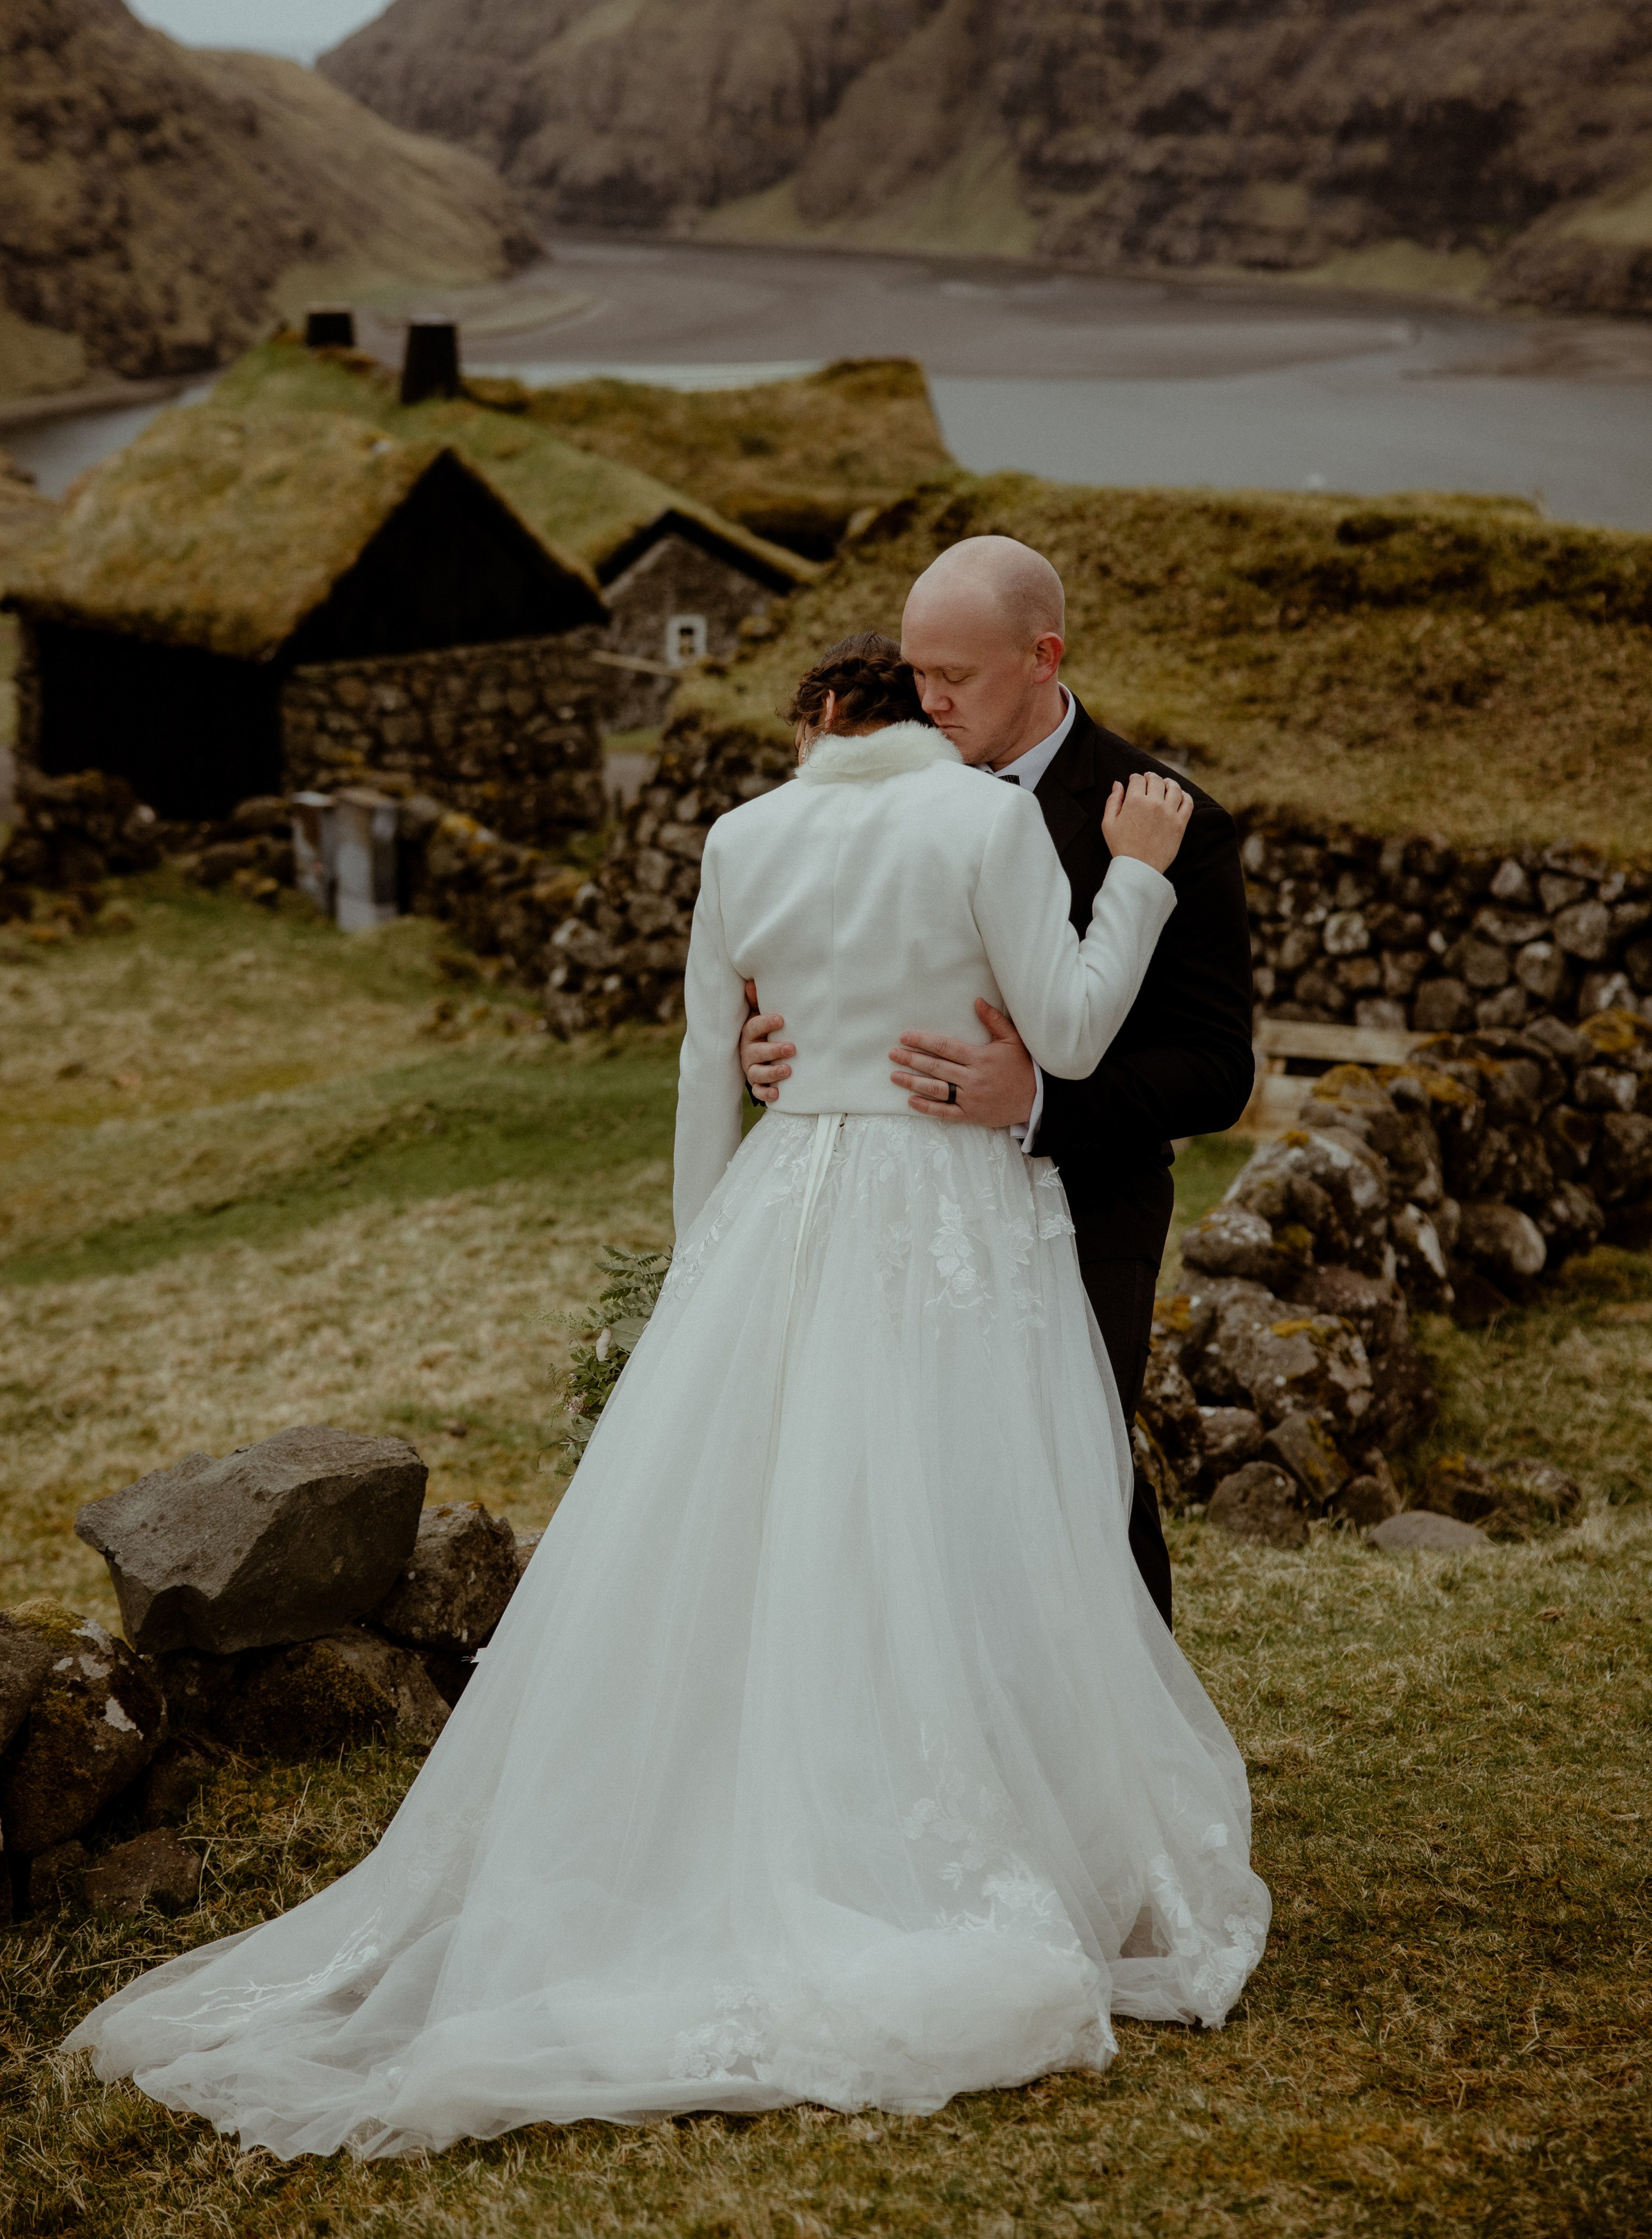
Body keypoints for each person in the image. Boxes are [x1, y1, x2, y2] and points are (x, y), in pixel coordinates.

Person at [66, 633, 1268, 2156]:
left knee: (788, 1519)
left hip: (783, 1205)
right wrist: (1136, 884)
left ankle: (760, 1820)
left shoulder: (740, 833)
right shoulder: (979, 815)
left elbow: (711, 1060)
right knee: (966, 1508)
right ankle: (983, 1834)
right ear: (912, 708)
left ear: (814, 722)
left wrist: (706, 1277)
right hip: (949, 1210)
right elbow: (1077, 1029)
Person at [741, 540, 1255, 1628]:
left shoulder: (1168, 822)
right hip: (888, 1203)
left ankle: (1111, 1749)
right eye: (918, 671)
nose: (927, 701)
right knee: (890, 1478)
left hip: (1087, 1200)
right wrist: (763, 1047)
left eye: (955, 677)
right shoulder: (880, 781)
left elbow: (1216, 1069)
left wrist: (1034, 1101)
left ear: (1042, 656)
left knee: (1071, 1477)